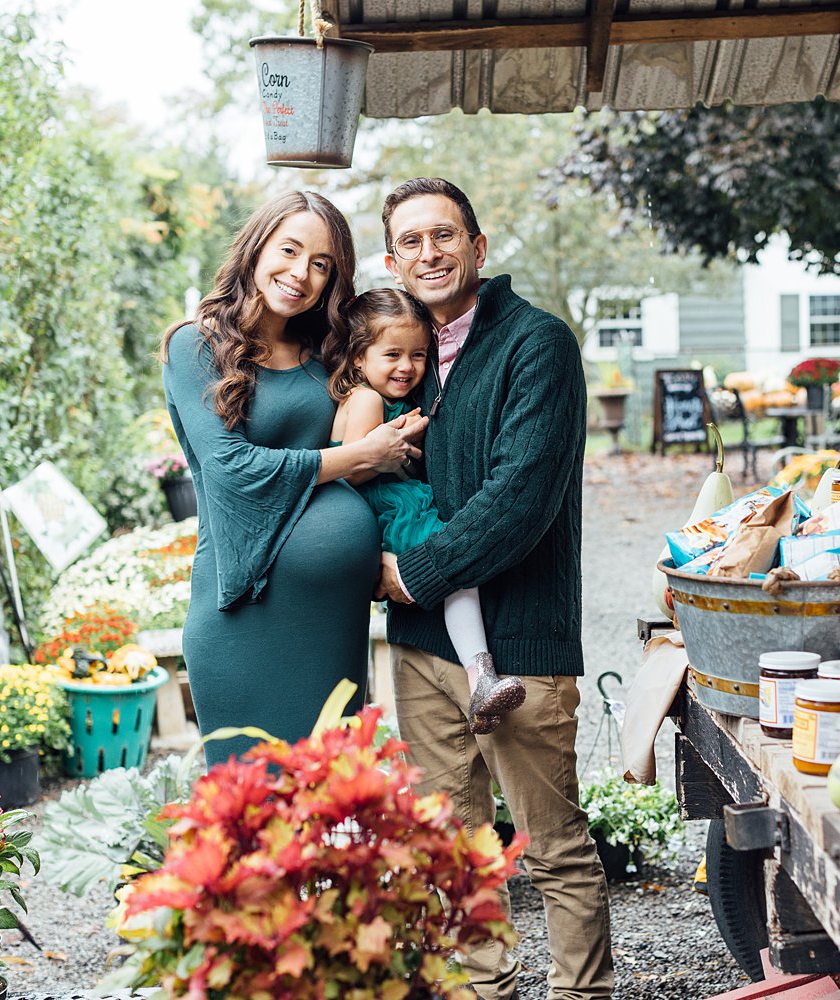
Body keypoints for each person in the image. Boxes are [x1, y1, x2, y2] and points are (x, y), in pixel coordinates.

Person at [375, 177, 614, 1000]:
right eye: (411, 241)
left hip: (519, 645)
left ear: (478, 248)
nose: (429, 253)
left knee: (551, 847)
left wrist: (413, 574)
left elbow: (520, 498)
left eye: (445, 236)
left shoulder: (536, 344)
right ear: (392, 260)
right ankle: (487, 989)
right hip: (421, 650)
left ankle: (582, 994)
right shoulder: (401, 361)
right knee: (456, 846)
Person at [160, 190, 425, 765]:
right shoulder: (195, 345)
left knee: (333, 812)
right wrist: (358, 457)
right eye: (290, 250)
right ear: (257, 248)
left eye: (322, 264)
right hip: (245, 619)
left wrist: (380, 541)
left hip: (333, 622)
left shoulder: (326, 349)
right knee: (254, 819)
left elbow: (385, 431)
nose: (301, 273)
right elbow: (231, 470)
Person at [323, 288, 526, 733]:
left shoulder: (376, 396)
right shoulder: (366, 400)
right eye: (392, 354)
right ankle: (480, 675)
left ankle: (478, 678)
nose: (407, 366)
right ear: (358, 358)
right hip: (387, 508)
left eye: (418, 354)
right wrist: (396, 448)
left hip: (392, 502)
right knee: (455, 574)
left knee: (452, 578)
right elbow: (353, 469)